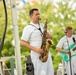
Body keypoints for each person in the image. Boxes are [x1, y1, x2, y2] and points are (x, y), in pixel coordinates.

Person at [21, 8, 54, 75]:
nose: (38, 16)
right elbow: (23, 42)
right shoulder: (28, 28)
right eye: (36, 14)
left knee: (50, 72)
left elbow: (51, 38)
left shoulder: (42, 25)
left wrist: (49, 35)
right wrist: (36, 49)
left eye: (38, 14)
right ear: (31, 16)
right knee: (40, 72)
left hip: (46, 53)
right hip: (37, 54)